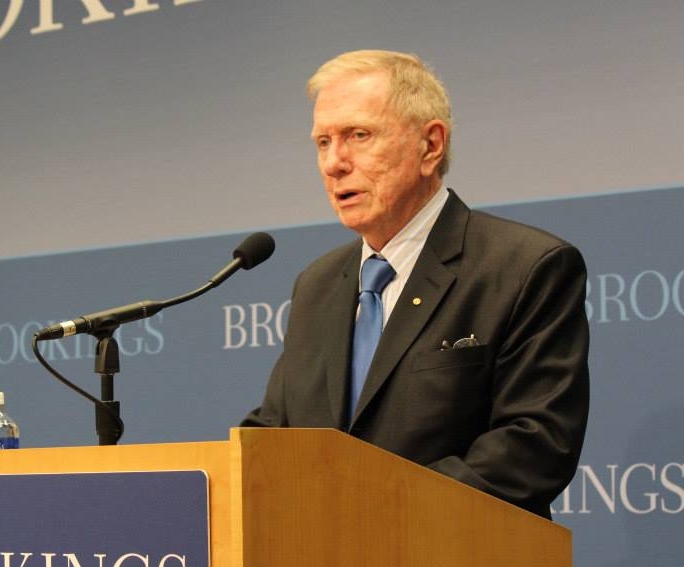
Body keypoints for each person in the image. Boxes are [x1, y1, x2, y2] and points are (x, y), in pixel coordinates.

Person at [241, 50, 589, 519]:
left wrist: (374, 508)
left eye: (358, 135)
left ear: (430, 146)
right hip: (321, 559)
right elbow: (273, 433)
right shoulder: (317, 285)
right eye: (323, 142)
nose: (334, 163)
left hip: (456, 555)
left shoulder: (525, 267)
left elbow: (534, 446)